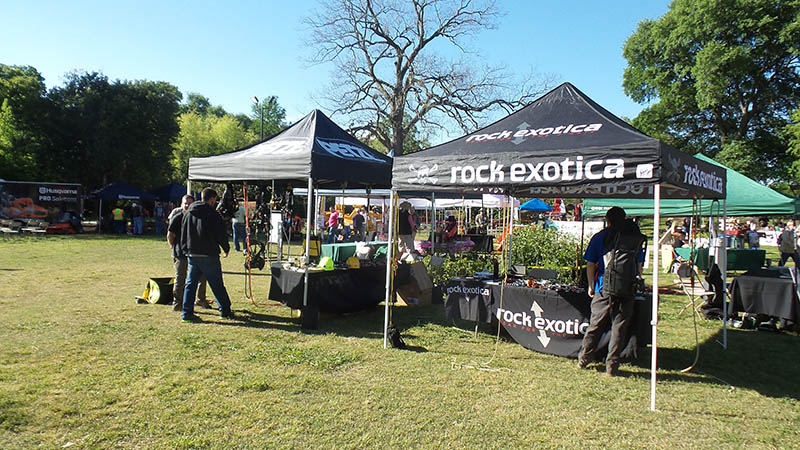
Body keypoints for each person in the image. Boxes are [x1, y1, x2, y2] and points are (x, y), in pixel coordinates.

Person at [578, 206, 643, 376]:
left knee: (595, 325)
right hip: (627, 288)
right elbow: (639, 266)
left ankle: (584, 358)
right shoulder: (633, 238)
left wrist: (591, 285)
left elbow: (590, 264)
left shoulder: (600, 237)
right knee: (619, 329)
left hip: (603, 288)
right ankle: (612, 366)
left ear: (607, 220)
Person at [179, 188, 234, 322]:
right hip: (209, 254)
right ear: (212, 199)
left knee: (190, 284)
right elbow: (220, 233)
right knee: (216, 284)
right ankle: (225, 310)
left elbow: (183, 231)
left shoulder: (188, 212)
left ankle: (186, 313)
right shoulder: (213, 214)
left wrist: (185, 249)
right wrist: (226, 248)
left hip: (192, 253)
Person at [167, 195, 211, 312]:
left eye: (189, 203)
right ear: (181, 204)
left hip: (195, 253)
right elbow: (170, 235)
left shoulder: (197, 217)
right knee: (180, 278)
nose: (187, 206)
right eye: (185, 203)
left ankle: (201, 299)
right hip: (181, 254)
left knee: (202, 277)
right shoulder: (178, 217)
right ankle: (178, 303)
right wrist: (173, 247)